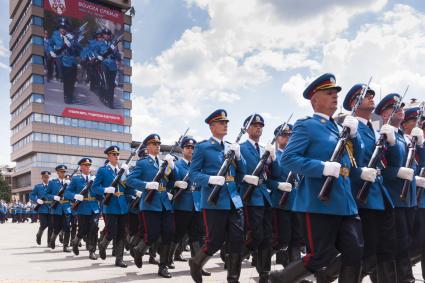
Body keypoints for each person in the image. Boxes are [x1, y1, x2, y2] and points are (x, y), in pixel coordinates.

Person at [271, 73, 364, 283]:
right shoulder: (306, 125)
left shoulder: (341, 129)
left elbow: (357, 158)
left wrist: (356, 136)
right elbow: (288, 159)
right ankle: (280, 279)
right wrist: (321, 167)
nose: (335, 96)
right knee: (320, 255)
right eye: (329, 93)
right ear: (315, 100)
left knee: (355, 251)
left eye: (335, 93)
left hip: (344, 201)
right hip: (319, 201)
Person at [343, 84, 399, 282]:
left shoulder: (376, 129)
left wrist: (393, 144)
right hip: (362, 196)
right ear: (353, 102)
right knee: (366, 252)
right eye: (364, 95)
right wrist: (359, 173)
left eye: (372, 94)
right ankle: (327, 274)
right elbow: (346, 163)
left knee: (386, 250)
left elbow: (394, 163)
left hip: (381, 196)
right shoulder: (350, 126)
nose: (371, 97)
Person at [188, 109, 247, 283]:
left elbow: (241, 173)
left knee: (237, 241)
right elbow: (193, 174)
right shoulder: (203, 147)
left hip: (233, 201)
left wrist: (239, 156)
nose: (225, 125)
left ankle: (233, 279)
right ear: (212, 126)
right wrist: (210, 179)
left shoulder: (231, 146)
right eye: (222, 122)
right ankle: (196, 263)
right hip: (214, 202)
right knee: (214, 241)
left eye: (227, 122)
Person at [375, 94, 425, 282]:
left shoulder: (404, 138)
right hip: (393, 197)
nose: (400, 109)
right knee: (395, 245)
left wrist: (421, 145)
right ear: (384, 113)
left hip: (409, 199)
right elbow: (378, 167)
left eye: (400, 106)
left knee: (406, 243)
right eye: (394, 107)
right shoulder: (385, 135)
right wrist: (396, 172)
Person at [126, 134, 176, 278]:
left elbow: (173, 180)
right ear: (148, 146)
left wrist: (172, 166)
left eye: (159, 143)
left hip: (165, 204)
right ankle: (139, 251)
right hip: (150, 204)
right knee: (152, 234)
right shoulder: (143, 163)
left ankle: (163, 266)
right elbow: (130, 180)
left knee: (168, 235)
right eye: (154, 143)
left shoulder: (164, 163)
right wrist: (146, 185)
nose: (158, 146)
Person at [239, 114, 274, 283]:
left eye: (261, 126)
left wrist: (273, 158)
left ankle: (264, 274)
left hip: (264, 196)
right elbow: (235, 173)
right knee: (256, 235)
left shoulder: (264, 150)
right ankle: (234, 258)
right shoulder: (240, 148)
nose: (258, 128)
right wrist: (244, 178)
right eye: (254, 125)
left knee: (267, 237)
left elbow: (272, 174)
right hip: (249, 196)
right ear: (247, 128)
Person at [94, 145, 131, 268]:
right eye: (113, 154)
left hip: (122, 206)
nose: (116, 156)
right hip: (110, 205)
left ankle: (119, 259)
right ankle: (102, 245)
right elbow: (94, 188)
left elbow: (127, 187)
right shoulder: (103, 170)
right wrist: (105, 189)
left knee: (121, 233)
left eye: (117, 154)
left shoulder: (123, 170)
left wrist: (128, 174)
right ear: (109, 156)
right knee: (111, 232)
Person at [64, 158, 99, 260]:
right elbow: (67, 193)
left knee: (94, 228)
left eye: (89, 165)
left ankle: (92, 251)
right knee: (83, 230)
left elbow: (99, 192)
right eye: (85, 165)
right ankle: (75, 241)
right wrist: (75, 196)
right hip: (82, 208)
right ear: (81, 167)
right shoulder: (76, 179)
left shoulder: (94, 179)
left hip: (94, 208)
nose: (87, 167)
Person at [46, 165, 72, 252]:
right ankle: (52, 239)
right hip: (57, 208)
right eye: (61, 171)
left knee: (67, 227)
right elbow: (46, 194)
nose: (63, 173)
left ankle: (66, 246)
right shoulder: (52, 182)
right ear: (57, 172)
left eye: (64, 171)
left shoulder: (69, 182)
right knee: (57, 228)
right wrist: (54, 197)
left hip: (66, 207)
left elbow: (72, 193)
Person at [30, 171, 52, 246]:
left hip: (51, 208)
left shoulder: (53, 186)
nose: (46, 178)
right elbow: (31, 195)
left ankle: (49, 242)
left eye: (48, 177)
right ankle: (39, 235)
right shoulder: (38, 186)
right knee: (44, 224)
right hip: (42, 208)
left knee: (51, 225)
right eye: (45, 177)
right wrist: (37, 200)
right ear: (42, 177)